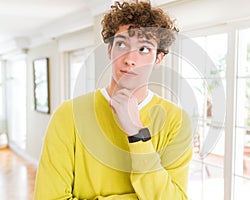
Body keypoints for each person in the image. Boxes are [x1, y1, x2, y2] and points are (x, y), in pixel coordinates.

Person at [34, 1, 193, 199]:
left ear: (158, 59)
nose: (130, 59)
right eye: (121, 44)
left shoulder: (177, 121)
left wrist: (137, 134)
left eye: (144, 49)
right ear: (109, 50)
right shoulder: (68, 115)